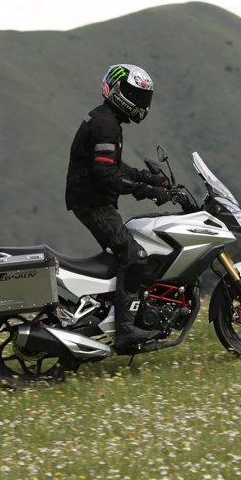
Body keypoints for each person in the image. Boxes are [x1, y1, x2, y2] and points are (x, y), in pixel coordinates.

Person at [65, 64, 170, 353]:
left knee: (128, 251)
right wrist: (146, 190)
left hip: (95, 200)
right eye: (135, 94)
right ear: (116, 91)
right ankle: (123, 330)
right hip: (92, 203)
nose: (139, 102)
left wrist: (147, 177)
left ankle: (117, 313)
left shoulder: (108, 121)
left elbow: (115, 165)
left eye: (143, 97)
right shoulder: (105, 124)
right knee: (133, 254)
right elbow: (106, 174)